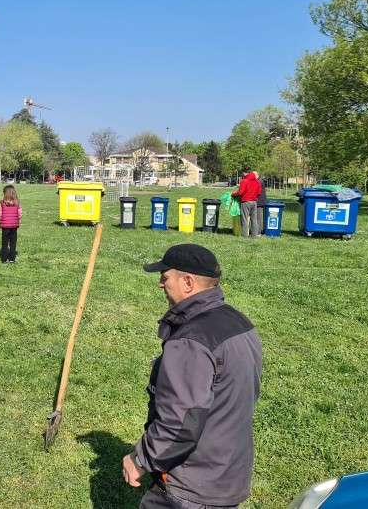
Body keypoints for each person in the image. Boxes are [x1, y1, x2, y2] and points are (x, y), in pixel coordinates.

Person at [122, 244, 262, 509]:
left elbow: (180, 424)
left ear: (188, 282)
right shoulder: (240, 323)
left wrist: (140, 460)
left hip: (192, 487)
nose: (160, 285)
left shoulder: (190, 341)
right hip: (229, 473)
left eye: (165, 278)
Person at [232, 169, 262, 238]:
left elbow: (240, 192)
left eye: (243, 173)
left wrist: (233, 194)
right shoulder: (257, 182)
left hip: (245, 202)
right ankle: (254, 235)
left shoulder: (244, 181)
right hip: (254, 202)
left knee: (244, 219)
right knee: (254, 219)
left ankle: (245, 235)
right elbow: (259, 192)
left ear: (245, 173)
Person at [0, 184, 22, 264]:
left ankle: (4, 259)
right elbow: (20, 214)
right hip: (14, 226)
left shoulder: (1, 203)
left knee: (4, 243)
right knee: (13, 243)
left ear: (5, 193)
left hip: (5, 226)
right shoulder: (17, 203)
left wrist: (0, 221)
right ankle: (12, 259)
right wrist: (18, 219)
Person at [254, 171, 267, 236]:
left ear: (256, 175)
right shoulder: (259, 181)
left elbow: (257, 192)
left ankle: (259, 232)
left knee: (259, 217)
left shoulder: (259, 182)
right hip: (260, 201)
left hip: (259, 202)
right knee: (258, 217)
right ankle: (257, 231)